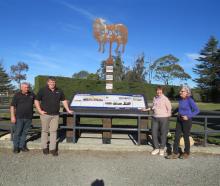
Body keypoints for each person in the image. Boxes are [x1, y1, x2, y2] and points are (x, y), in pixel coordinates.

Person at [35, 76, 73, 156]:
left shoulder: (59, 90)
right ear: (48, 82)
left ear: (55, 83)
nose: (52, 83)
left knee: (53, 132)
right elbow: (36, 100)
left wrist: (68, 110)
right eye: (51, 82)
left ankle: (53, 149)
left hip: (55, 115)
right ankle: (44, 148)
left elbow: (63, 100)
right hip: (45, 114)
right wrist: (39, 110)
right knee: (45, 131)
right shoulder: (42, 90)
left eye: (54, 82)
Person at [167, 85, 199, 159]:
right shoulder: (181, 99)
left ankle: (186, 153)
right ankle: (175, 153)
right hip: (179, 120)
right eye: (180, 91)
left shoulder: (190, 100)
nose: (180, 92)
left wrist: (188, 116)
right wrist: (172, 113)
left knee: (186, 137)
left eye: (182, 91)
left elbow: (197, 110)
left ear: (187, 92)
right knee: (177, 136)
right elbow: (179, 108)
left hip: (187, 121)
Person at [143, 86, 172, 156]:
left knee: (163, 134)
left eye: (160, 90)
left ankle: (162, 148)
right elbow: (154, 107)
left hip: (164, 118)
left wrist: (167, 117)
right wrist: (146, 109)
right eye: (157, 91)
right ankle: (156, 148)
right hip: (155, 118)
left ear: (162, 91)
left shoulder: (165, 99)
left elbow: (169, 108)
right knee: (154, 133)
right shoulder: (155, 98)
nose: (159, 92)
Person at [10, 82, 35, 153]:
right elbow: (12, 106)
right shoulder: (17, 95)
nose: (27, 89)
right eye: (25, 87)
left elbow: (37, 101)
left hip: (29, 117)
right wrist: (12, 116)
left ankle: (22, 146)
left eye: (27, 87)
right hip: (19, 117)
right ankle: (15, 147)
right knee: (17, 132)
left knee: (25, 133)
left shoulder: (32, 94)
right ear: (21, 88)